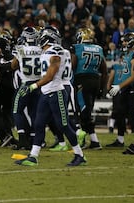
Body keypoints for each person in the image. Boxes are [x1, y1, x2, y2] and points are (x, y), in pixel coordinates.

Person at [15, 26, 86, 167]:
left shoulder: (56, 51)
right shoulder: (49, 51)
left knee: (63, 125)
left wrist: (33, 86)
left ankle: (79, 155)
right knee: (39, 123)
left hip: (56, 92)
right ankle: (33, 156)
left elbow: (50, 74)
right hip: (46, 93)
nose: (39, 38)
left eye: (42, 36)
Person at [72, 27, 107, 150]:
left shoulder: (77, 48)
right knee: (87, 112)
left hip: (82, 81)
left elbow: (73, 65)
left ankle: (84, 139)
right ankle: (93, 140)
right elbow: (104, 70)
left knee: (83, 112)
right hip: (95, 81)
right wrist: (103, 88)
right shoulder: (99, 48)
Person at [11, 26, 42, 150]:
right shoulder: (41, 49)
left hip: (26, 84)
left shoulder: (21, 49)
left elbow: (13, 65)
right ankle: (35, 139)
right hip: (39, 84)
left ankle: (23, 138)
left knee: (16, 110)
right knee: (34, 112)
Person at [107, 32, 134, 147]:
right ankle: (120, 140)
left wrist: (120, 86)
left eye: (126, 41)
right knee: (119, 113)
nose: (124, 43)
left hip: (132, 87)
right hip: (124, 87)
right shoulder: (126, 54)